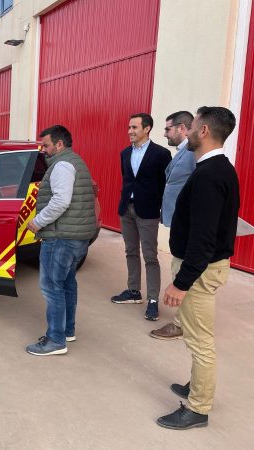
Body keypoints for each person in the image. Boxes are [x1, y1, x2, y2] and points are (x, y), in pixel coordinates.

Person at [157, 107, 240, 430]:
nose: (186, 132)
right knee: (196, 335)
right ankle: (197, 387)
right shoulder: (218, 169)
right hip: (205, 268)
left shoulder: (209, 175)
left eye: (191, 127)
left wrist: (181, 282)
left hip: (201, 271)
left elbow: (203, 239)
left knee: (199, 340)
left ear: (203, 131)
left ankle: (198, 408)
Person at [25, 125, 98, 356]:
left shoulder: (62, 165)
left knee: (51, 287)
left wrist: (37, 222)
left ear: (59, 144)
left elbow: (60, 201)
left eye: (46, 145)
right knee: (67, 284)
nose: (43, 149)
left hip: (60, 238)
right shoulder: (74, 161)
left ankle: (56, 340)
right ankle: (67, 331)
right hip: (76, 237)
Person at [111, 113, 172, 321]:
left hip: (148, 211)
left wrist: (162, 209)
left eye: (134, 127)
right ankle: (134, 290)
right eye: (129, 127)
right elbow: (127, 179)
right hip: (126, 208)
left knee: (150, 255)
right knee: (130, 251)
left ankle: (153, 300)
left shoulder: (161, 154)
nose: (130, 131)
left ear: (147, 129)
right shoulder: (124, 153)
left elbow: (165, 184)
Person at [150, 111, 196, 340]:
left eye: (168, 129)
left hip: (186, 223)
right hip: (177, 220)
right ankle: (183, 319)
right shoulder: (182, 152)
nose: (165, 133)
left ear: (181, 128)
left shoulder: (193, 153)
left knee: (184, 273)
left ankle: (180, 323)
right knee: (180, 269)